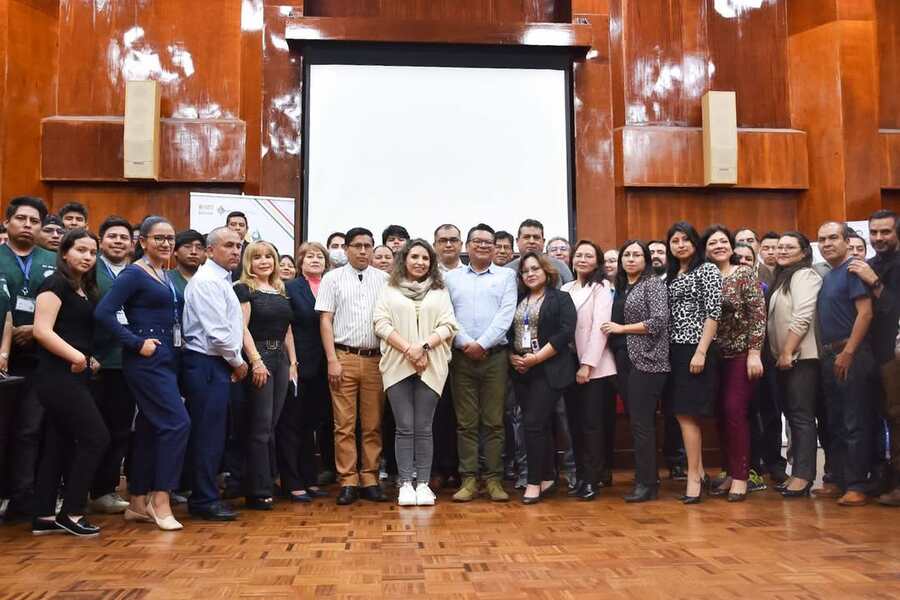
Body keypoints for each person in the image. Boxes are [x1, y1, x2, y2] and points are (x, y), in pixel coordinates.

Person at [95, 216, 190, 530]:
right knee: (177, 423)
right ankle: (160, 499)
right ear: (143, 241)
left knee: (150, 427)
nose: (165, 243)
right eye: (158, 238)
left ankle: (137, 502)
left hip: (167, 358)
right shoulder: (134, 273)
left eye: (169, 238)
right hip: (146, 361)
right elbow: (104, 312)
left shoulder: (163, 273)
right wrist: (135, 343)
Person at [31, 228, 109, 537]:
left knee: (59, 442)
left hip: (76, 374)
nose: (88, 257)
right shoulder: (55, 283)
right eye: (81, 250)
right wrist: (76, 356)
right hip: (56, 374)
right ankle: (73, 512)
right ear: (64, 252)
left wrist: (88, 357)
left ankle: (44, 514)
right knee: (96, 437)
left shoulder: (84, 289)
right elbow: (42, 330)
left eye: (92, 252)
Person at [374, 239, 458, 506]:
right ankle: (405, 484)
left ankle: (423, 484)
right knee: (404, 427)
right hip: (397, 364)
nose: (420, 262)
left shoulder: (439, 290)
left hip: (431, 364)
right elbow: (381, 323)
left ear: (431, 263)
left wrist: (422, 348)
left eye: (425, 258)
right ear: (404, 259)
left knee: (423, 427)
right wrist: (409, 350)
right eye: (415, 257)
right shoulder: (389, 288)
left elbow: (448, 325)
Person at [316, 227, 389, 506]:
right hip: (343, 357)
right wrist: (332, 359)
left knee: (372, 424)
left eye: (367, 246)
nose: (362, 251)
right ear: (346, 249)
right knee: (344, 424)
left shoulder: (384, 279)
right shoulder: (332, 279)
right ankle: (347, 479)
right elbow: (325, 321)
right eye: (357, 246)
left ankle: (369, 477)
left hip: (375, 359)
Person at [445, 224, 517, 502]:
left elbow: (506, 314)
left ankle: (494, 480)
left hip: (495, 357)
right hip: (461, 356)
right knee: (465, 423)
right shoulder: (452, 278)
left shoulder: (506, 276)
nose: (484, 245)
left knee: (494, 421)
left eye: (489, 242)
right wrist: (466, 343)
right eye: (478, 241)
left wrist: (483, 344)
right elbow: (447, 314)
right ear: (468, 245)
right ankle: (469, 480)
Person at [0, 196, 57, 522]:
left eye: (34, 221)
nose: (28, 225)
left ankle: (23, 496)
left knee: (29, 429)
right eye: (21, 218)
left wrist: (35, 329)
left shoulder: (51, 260)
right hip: (3, 358)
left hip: (38, 360)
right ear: (7, 222)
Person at [813, 221, 877, 506]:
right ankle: (838, 479)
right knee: (835, 421)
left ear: (846, 240)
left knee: (854, 421)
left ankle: (857, 484)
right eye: (822, 239)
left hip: (850, 354)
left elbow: (865, 314)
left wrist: (849, 351)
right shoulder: (829, 275)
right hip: (829, 355)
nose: (827, 244)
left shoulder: (853, 270)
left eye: (832, 238)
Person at [602, 241, 670, 503]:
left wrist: (621, 328)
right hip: (625, 360)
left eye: (636, 255)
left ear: (646, 260)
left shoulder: (652, 284)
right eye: (626, 255)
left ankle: (646, 483)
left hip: (648, 361)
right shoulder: (621, 287)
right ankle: (647, 478)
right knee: (638, 423)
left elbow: (658, 321)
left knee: (642, 424)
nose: (631, 259)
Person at [508, 252, 577, 504]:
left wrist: (537, 358)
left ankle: (534, 482)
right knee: (540, 425)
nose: (530, 274)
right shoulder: (517, 300)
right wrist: (512, 357)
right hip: (522, 371)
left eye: (535, 268)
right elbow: (507, 332)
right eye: (525, 271)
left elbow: (565, 332)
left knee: (533, 424)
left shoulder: (561, 298)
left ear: (546, 271)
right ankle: (547, 476)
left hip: (549, 369)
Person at [703, 226, 766, 501]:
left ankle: (742, 476)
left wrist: (755, 353)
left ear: (731, 246)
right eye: (712, 242)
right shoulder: (705, 277)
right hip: (714, 357)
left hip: (741, 355)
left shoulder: (744, 274)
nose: (718, 245)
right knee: (719, 414)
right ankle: (729, 472)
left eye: (723, 241)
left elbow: (758, 315)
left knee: (734, 411)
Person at [234, 241, 297, 510]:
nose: (264, 261)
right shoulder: (243, 289)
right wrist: (256, 361)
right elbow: (241, 328)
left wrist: (293, 362)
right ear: (248, 261)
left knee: (270, 425)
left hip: (281, 360)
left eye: (269, 256)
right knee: (259, 427)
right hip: (259, 358)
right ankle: (256, 490)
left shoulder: (280, 289)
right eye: (257, 257)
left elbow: (288, 330)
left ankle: (263, 480)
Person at [665, 221, 722, 504]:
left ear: (694, 242)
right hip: (673, 350)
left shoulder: (707, 269)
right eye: (675, 241)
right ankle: (698, 471)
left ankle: (693, 478)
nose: (680, 245)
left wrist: (700, 351)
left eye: (685, 239)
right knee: (680, 413)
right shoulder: (672, 273)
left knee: (688, 414)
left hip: (696, 348)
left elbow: (713, 313)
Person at [846, 210, 900, 505]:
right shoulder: (870, 263)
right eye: (874, 232)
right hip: (872, 353)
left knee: (897, 417)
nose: (879, 238)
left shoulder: (879, 269)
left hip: (896, 352)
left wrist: (874, 281)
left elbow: (894, 308)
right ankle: (883, 478)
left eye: (885, 232)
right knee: (878, 416)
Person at [767, 232, 822, 498]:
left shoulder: (805, 276)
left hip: (802, 358)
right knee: (793, 415)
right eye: (780, 247)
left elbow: (802, 316)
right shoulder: (783, 277)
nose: (783, 250)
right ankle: (797, 473)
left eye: (790, 247)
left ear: (803, 252)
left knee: (801, 417)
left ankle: (803, 475)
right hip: (785, 360)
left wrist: (787, 350)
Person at [88, 216, 135, 515]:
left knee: (119, 429)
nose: (118, 241)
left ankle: (105, 491)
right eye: (112, 237)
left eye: (123, 237)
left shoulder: (137, 273)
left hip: (127, 362)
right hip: (94, 362)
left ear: (132, 244)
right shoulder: (90, 271)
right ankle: (78, 489)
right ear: (101, 241)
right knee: (91, 430)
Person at [561, 241, 615, 501]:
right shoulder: (565, 288)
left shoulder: (602, 288)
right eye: (578, 255)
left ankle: (592, 480)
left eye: (588, 256)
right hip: (567, 363)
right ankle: (581, 476)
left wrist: (587, 365)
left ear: (597, 261)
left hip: (594, 366)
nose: (582, 259)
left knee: (592, 424)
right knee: (574, 424)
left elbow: (599, 329)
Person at [280, 242, 332, 500]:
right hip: (298, 364)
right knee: (293, 424)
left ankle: (310, 479)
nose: (315, 259)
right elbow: (286, 327)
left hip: (327, 367)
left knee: (312, 424)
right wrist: (292, 362)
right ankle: (292, 482)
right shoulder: (290, 288)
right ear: (300, 262)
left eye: (319, 256)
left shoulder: (332, 286)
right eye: (309, 256)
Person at [505, 219, 573, 285]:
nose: (531, 241)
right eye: (526, 237)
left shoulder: (559, 266)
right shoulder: (507, 270)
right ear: (517, 241)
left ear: (543, 242)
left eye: (536, 237)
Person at [168, 230, 205, 302]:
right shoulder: (165, 278)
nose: (194, 252)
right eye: (187, 246)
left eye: (199, 248)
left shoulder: (210, 280)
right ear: (175, 251)